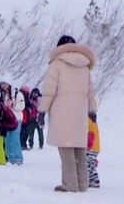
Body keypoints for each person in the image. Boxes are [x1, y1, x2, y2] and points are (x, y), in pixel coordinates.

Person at [40, 35, 99, 193]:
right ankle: (82, 183)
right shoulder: (85, 66)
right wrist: (92, 110)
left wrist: (42, 110)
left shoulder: (57, 64)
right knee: (79, 147)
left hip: (62, 111)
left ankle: (69, 184)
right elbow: (90, 92)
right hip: (80, 111)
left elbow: (49, 90)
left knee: (66, 149)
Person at [86, 109, 101, 189]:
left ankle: (89, 179)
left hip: (91, 148)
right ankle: (94, 180)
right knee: (91, 164)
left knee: (88, 164)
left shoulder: (88, 122)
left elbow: (91, 135)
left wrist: (89, 145)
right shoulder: (94, 124)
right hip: (96, 148)